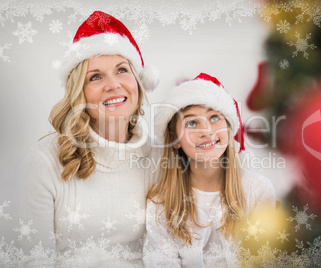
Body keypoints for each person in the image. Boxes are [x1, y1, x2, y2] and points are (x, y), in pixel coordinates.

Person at [19, 11, 160, 265]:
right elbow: (34, 260)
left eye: (121, 70)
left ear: (139, 82)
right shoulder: (45, 160)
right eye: (95, 76)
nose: (113, 84)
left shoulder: (158, 158)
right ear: (79, 93)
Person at [145, 73, 276, 267]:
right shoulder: (161, 201)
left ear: (229, 129)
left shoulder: (257, 190)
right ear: (174, 140)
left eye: (214, 117)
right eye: (191, 123)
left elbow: (267, 258)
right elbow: (161, 261)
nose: (206, 131)